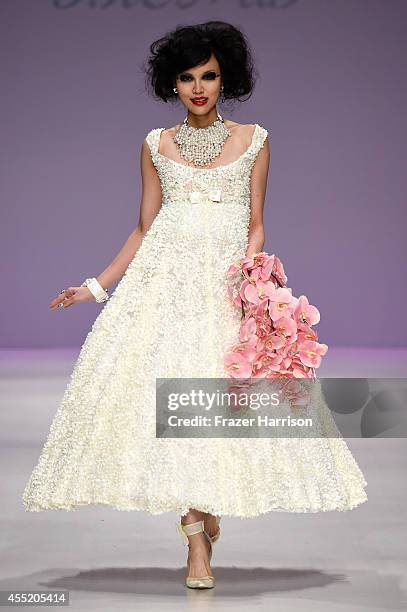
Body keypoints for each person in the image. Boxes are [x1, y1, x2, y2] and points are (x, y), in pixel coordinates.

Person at [22, 21, 368, 590]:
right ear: (172, 85)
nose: (198, 86)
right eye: (186, 77)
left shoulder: (255, 139)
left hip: (227, 290)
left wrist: (251, 283)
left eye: (208, 74)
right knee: (167, 407)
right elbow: (143, 227)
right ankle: (195, 544)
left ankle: (206, 512)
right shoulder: (155, 145)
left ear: (225, 76)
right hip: (162, 289)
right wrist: (96, 286)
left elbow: (255, 225)